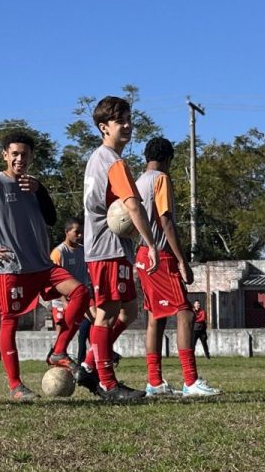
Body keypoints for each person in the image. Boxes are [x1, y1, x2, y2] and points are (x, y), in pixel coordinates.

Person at [0, 133, 88, 400]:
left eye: (24, 154)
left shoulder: (33, 186)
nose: (19, 159)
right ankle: (16, 386)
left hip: (42, 264)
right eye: (14, 153)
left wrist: (41, 191)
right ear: (5, 155)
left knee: (81, 293)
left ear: (31, 157)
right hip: (12, 267)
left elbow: (51, 219)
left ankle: (58, 351)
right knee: (10, 322)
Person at [81, 96, 161, 403]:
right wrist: (150, 244)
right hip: (107, 248)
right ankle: (108, 384)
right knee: (106, 314)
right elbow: (132, 206)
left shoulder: (96, 158)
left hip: (110, 248)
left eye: (128, 119)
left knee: (128, 309)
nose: (126, 125)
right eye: (119, 121)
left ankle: (90, 364)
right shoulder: (113, 162)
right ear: (104, 127)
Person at [134, 137, 220, 397]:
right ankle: (191, 381)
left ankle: (154, 382)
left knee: (155, 319)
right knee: (185, 314)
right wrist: (182, 260)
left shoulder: (138, 182)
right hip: (160, 254)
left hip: (141, 255)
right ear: (168, 159)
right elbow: (166, 221)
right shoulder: (160, 179)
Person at [47, 218, 97, 385]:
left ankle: (94, 360)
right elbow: (53, 280)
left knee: (99, 321)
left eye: (81, 232)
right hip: (62, 301)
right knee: (62, 336)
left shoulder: (84, 251)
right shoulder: (58, 252)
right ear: (67, 232)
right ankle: (58, 375)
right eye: (77, 232)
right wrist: (64, 300)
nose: (80, 235)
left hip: (83, 297)